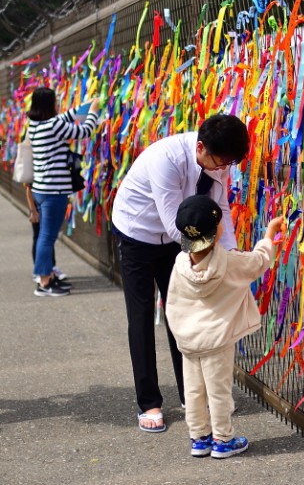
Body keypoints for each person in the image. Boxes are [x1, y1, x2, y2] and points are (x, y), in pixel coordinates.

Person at [111, 113, 249, 433]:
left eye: (228, 163)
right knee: (142, 315)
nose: (222, 168)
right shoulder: (167, 159)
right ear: (200, 147)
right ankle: (149, 403)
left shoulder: (218, 159)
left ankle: (192, 396)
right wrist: (210, 255)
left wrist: (231, 254)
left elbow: (220, 209)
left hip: (178, 236)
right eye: (219, 162)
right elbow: (176, 223)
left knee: (184, 316)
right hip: (138, 234)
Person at [166, 195, 283, 458]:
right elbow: (259, 261)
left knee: (194, 391)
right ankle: (223, 439)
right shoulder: (229, 263)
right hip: (216, 341)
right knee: (218, 391)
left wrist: (180, 332)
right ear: (217, 230)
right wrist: (269, 234)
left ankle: (199, 438)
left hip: (188, 340)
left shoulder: (180, 264)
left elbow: (172, 301)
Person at [28, 87, 100, 297]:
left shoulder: (35, 125)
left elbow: (66, 116)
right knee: (47, 237)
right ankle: (44, 282)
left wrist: (86, 105)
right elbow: (84, 131)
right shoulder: (54, 125)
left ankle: (46, 277)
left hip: (41, 189)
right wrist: (93, 112)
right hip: (54, 191)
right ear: (50, 105)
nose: (59, 104)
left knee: (44, 235)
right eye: (56, 101)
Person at [26, 184, 68, 283]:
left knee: (47, 238)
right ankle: (39, 272)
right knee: (40, 237)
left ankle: (50, 268)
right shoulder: (35, 170)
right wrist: (33, 211)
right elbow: (28, 188)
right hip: (38, 204)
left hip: (45, 199)